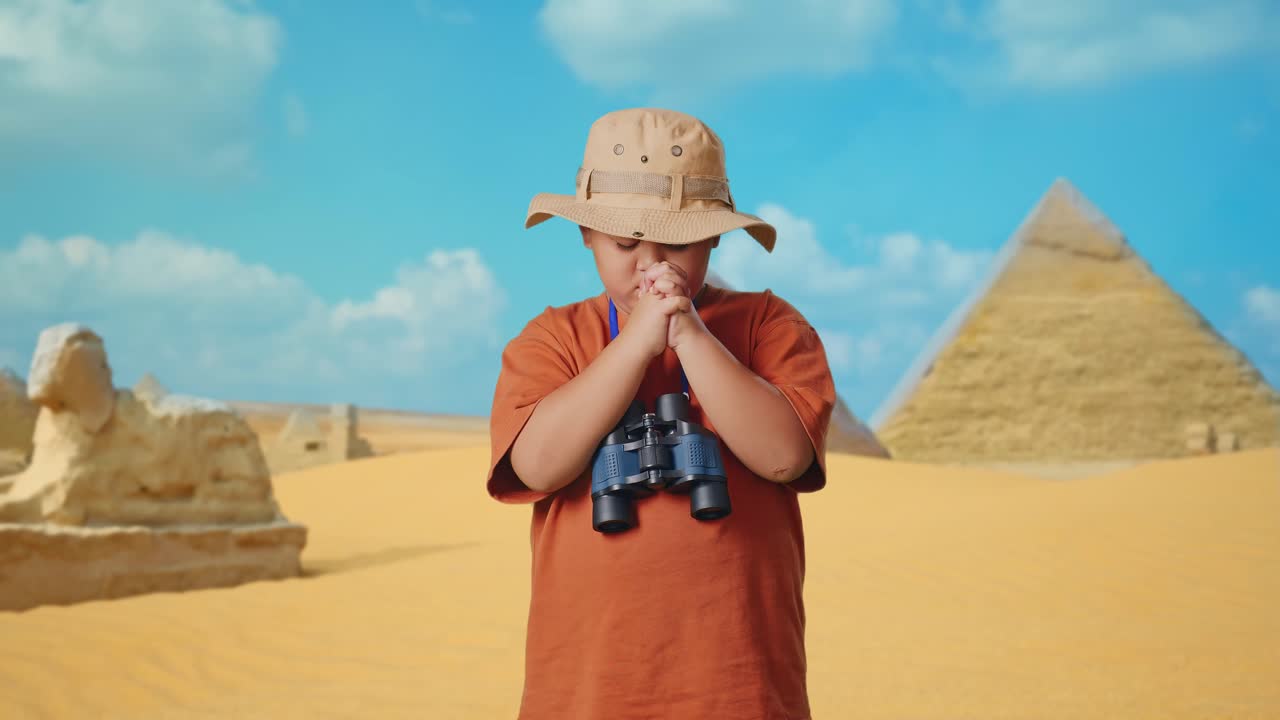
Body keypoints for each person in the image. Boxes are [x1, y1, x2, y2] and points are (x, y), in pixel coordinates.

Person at [487, 107, 836, 720]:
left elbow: (784, 457)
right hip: (587, 689)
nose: (652, 265)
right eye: (625, 243)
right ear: (586, 236)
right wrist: (636, 343)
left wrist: (690, 336)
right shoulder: (551, 340)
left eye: (677, 243)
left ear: (714, 240)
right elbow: (538, 466)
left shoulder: (768, 326)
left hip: (739, 686)